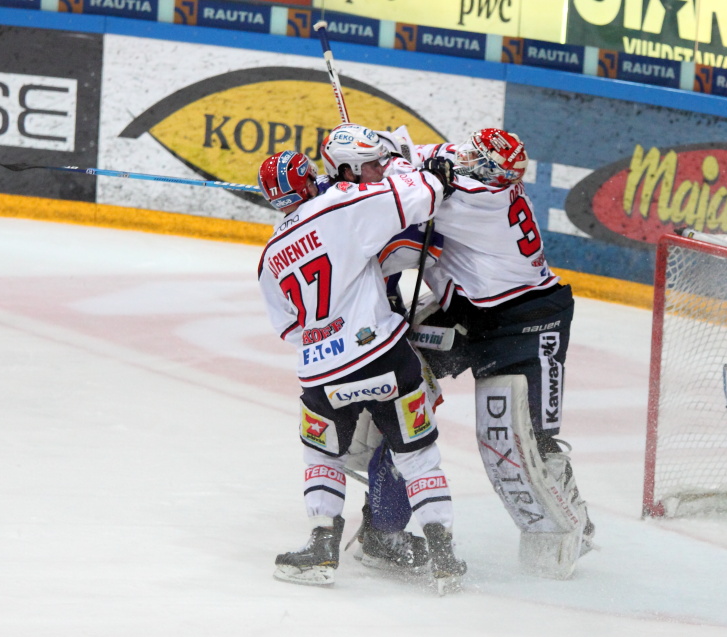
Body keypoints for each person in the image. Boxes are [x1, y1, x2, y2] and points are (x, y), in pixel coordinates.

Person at [364, 128, 595, 579]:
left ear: (491, 170)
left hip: (527, 322)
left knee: (533, 439)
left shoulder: (484, 201)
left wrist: (363, 176)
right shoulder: (474, 168)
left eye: (476, 155)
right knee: (401, 391)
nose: (465, 154)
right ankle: (381, 528)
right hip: (466, 312)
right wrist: (373, 152)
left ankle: (575, 526)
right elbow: (412, 152)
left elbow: (412, 195)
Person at [255, 140, 466, 593]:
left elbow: (289, 328)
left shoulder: (270, 256)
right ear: (311, 180)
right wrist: (434, 173)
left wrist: (327, 341)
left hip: (322, 374)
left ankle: (321, 545)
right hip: (386, 357)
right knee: (418, 455)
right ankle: (443, 554)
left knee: (321, 454)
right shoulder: (341, 204)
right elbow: (420, 196)